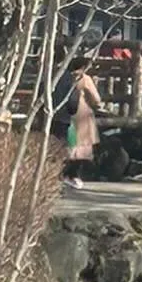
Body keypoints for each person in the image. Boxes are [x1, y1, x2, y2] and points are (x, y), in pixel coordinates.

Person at [54, 58, 102, 188]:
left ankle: (60, 174)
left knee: (67, 144)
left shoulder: (61, 76)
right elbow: (96, 98)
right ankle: (73, 175)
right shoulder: (84, 79)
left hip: (63, 113)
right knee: (80, 147)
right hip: (81, 113)